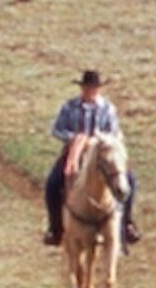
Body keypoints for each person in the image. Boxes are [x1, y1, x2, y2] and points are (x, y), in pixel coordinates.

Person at [44, 70, 136, 247]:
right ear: (82, 88)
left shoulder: (108, 109)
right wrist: (76, 139)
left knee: (131, 181)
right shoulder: (70, 107)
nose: (92, 90)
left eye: (95, 87)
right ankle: (55, 228)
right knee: (53, 183)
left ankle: (128, 223)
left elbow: (115, 132)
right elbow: (57, 129)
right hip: (74, 154)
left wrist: (100, 141)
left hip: (103, 155)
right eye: (89, 87)